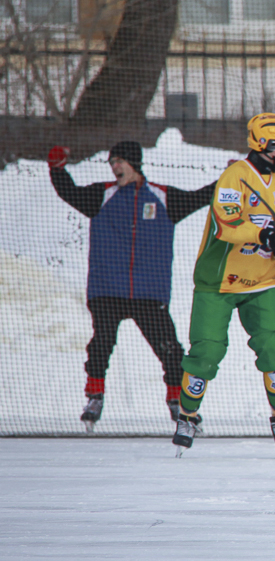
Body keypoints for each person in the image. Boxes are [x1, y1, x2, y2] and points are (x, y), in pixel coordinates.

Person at [48, 140, 216, 429]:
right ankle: (94, 396)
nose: (114, 167)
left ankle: (177, 402)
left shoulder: (163, 198)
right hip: (107, 289)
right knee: (101, 344)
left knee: (171, 350)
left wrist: (230, 179)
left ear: (134, 164)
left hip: (149, 293)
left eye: (119, 162)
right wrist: (57, 168)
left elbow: (201, 197)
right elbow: (69, 192)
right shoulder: (101, 195)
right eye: (112, 163)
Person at [173, 113, 275, 455]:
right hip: (219, 282)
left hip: (261, 278)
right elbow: (227, 224)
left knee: (274, 347)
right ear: (267, 145)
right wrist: (264, 234)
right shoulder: (235, 176)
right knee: (207, 352)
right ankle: (187, 415)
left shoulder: (273, 177)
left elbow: (264, 222)